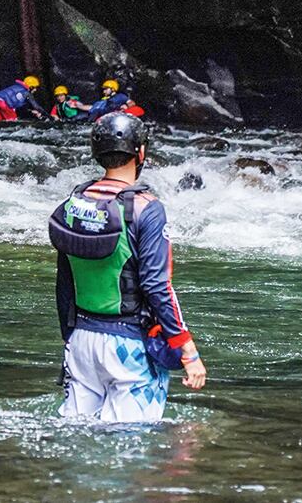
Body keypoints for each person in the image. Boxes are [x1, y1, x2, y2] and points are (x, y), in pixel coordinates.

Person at [48, 112, 206, 422]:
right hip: (129, 346)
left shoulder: (74, 203)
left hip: (80, 341)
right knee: (130, 442)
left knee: (76, 434)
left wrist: (70, 339)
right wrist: (187, 349)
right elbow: (157, 285)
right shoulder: (147, 208)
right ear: (141, 152)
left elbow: (64, 282)